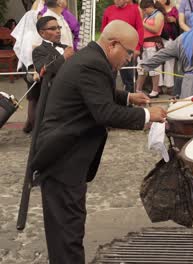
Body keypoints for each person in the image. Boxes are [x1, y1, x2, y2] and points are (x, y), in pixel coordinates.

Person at [28, 20, 167, 263]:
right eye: (128, 53)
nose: (129, 60)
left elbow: (96, 92)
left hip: (66, 157)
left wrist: (127, 97)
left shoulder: (91, 58)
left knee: (69, 228)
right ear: (113, 45)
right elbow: (105, 113)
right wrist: (148, 115)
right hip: (63, 158)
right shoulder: (93, 64)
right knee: (67, 233)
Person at [25, 16, 74, 133]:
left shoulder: (66, 48)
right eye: (53, 28)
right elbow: (44, 70)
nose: (58, 31)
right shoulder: (39, 51)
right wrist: (64, 58)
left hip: (71, 94)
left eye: (59, 27)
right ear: (42, 33)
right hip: (53, 97)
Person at [101, 0, 144, 93]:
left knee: (129, 78)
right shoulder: (109, 10)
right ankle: (110, 99)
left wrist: (137, 47)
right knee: (109, 77)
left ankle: (130, 101)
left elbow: (140, 28)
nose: (116, 1)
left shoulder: (134, 9)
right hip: (111, 50)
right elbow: (103, 30)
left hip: (127, 50)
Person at [136, 0, 165, 98]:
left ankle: (155, 90)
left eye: (145, 9)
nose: (144, 11)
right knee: (141, 68)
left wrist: (142, 23)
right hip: (144, 45)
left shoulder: (159, 15)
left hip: (153, 44)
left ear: (150, 7)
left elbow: (156, 30)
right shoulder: (147, 16)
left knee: (155, 68)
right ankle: (138, 89)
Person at [157, 0, 179, 91]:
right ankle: (158, 85)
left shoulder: (173, 9)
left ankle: (169, 85)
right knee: (157, 61)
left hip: (170, 38)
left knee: (170, 61)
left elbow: (178, 21)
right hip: (157, 38)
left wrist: (173, 20)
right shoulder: (155, 9)